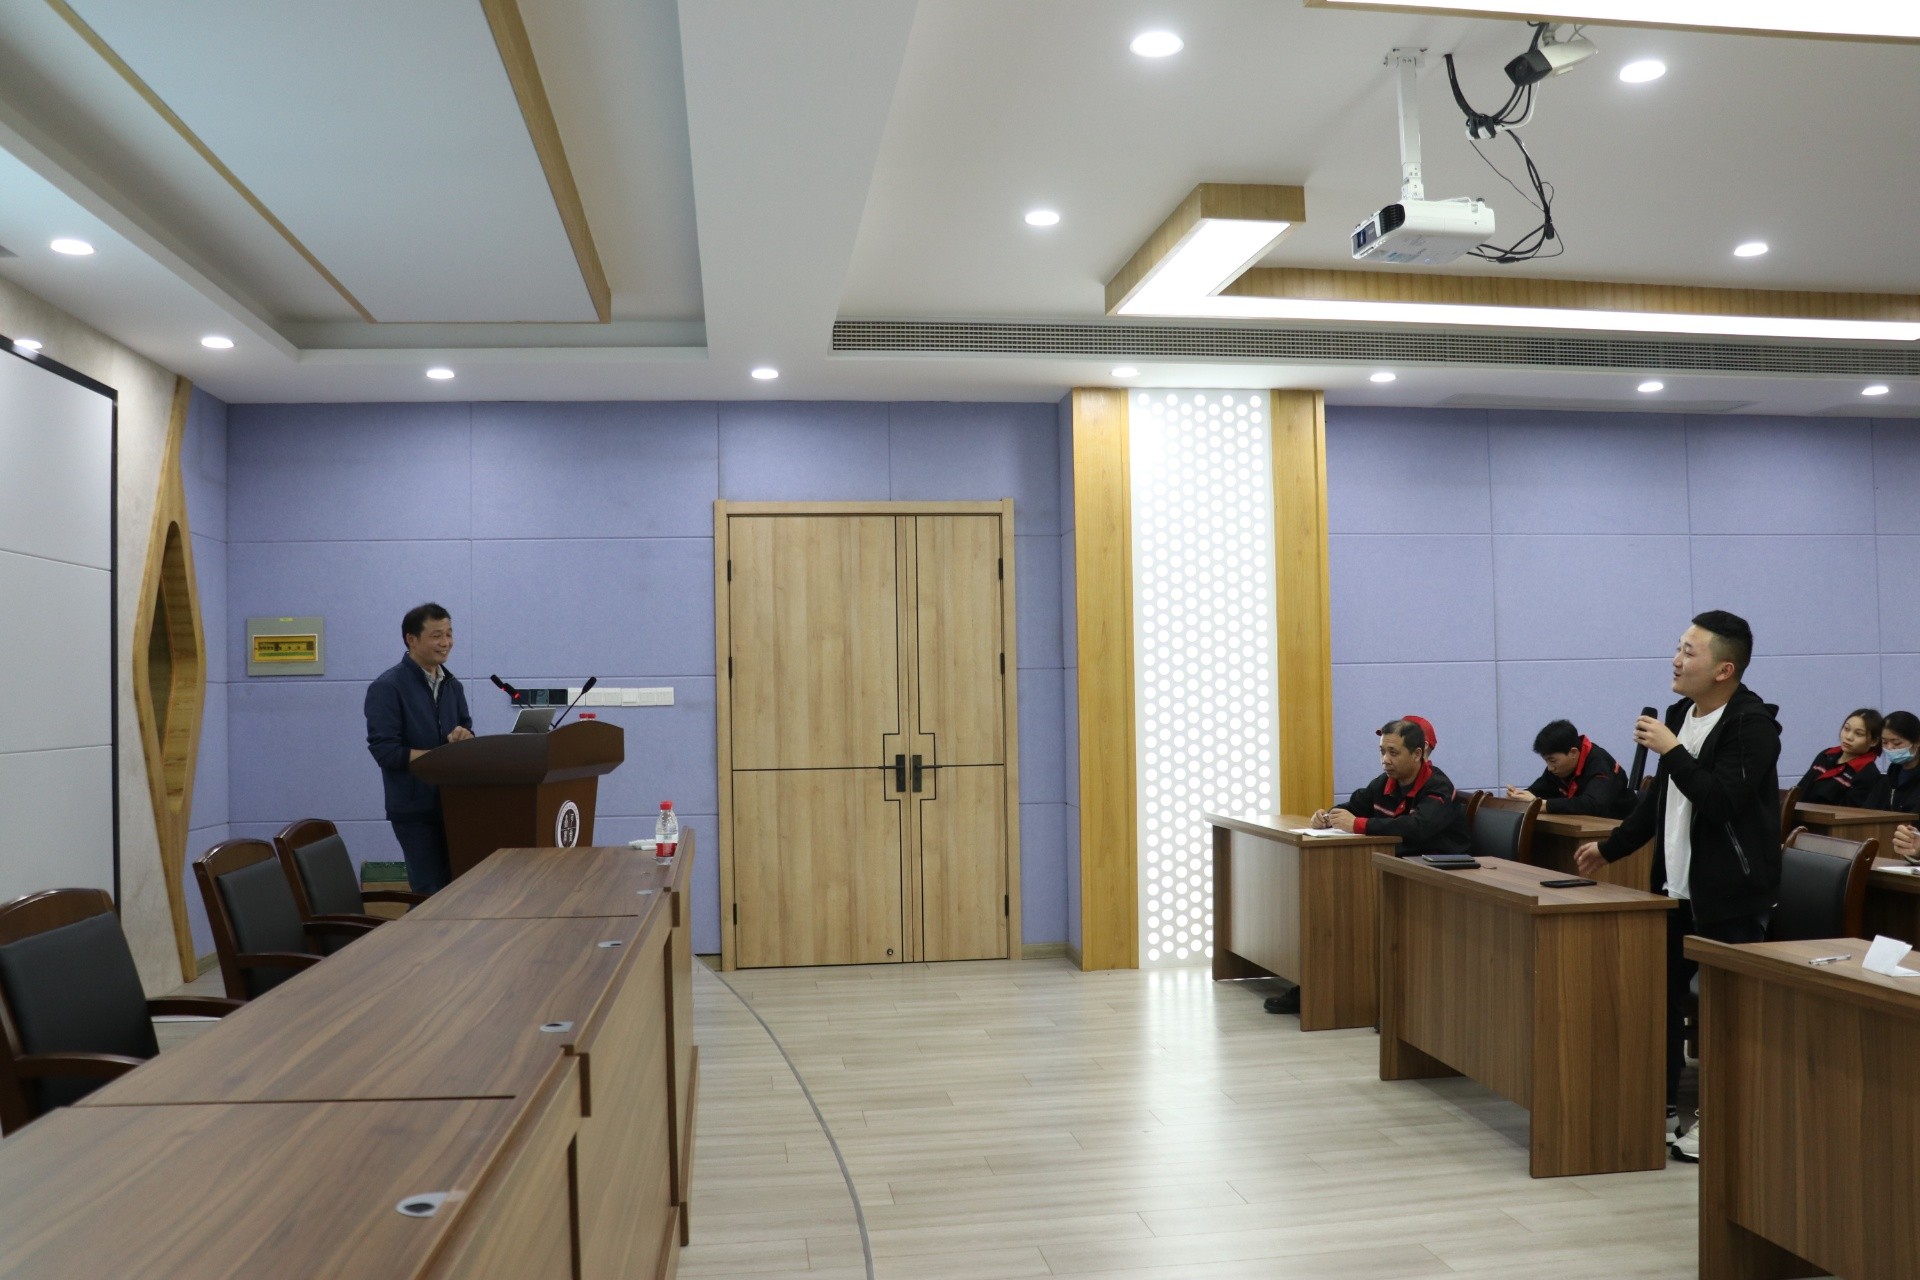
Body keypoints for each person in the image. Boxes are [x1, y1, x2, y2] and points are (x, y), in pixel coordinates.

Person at [1575, 610, 1781, 1165]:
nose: (1675, 660)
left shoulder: (1752, 727)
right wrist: (1612, 847)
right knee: (1660, 1002)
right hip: (1674, 890)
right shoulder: (1678, 717)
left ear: (1724, 669)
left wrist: (1671, 750)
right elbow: (1659, 802)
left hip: (1732, 897)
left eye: (1689, 652)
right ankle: (1663, 1106)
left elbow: (1720, 801)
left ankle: (1724, 1121)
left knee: (1728, 1016)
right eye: (1678, 648)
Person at [364, 603, 474, 895]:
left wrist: (465, 736)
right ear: (411, 639)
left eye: (449, 634)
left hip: (453, 805)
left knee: (459, 890)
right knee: (430, 893)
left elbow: (466, 727)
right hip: (414, 810)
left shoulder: (452, 685)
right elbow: (386, 752)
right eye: (437, 635)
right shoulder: (387, 687)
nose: (446, 642)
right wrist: (441, 757)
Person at [1312, 716, 1469, 857]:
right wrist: (1327, 818)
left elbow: (1418, 827)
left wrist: (1358, 824)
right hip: (1399, 861)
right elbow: (1354, 807)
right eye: (1382, 752)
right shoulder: (1384, 782)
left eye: (1393, 753)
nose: (1385, 760)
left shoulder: (1439, 787)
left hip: (1441, 867)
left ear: (1417, 754)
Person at [1506, 720, 1633, 818]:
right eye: (1546, 761)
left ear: (1573, 752)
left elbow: (1593, 804)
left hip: (1618, 830)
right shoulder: (1557, 769)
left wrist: (1543, 805)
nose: (1550, 768)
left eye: (1552, 760)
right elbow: (1538, 793)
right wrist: (1519, 797)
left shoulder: (1600, 763)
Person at [1794, 708, 1883, 807]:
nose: (1848, 737)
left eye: (1859, 734)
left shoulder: (1868, 773)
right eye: (1846, 729)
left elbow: (1849, 812)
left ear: (1873, 741)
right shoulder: (1825, 755)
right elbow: (1800, 790)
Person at [1860, 711, 1920, 815]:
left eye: (1896, 743)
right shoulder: (1890, 777)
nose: (1889, 748)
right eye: (1884, 742)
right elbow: (1866, 812)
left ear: (1917, 742)